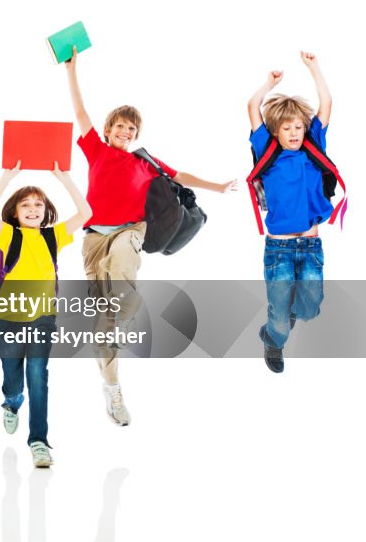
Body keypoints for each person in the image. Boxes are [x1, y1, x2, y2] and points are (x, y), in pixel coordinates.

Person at [63, 47, 237, 425]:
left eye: (132, 128)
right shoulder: (96, 151)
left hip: (129, 231)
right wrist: (73, 71)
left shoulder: (143, 161)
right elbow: (80, 113)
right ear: (108, 131)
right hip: (94, 238)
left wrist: (218, 187)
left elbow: (181, 177)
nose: (126, 132)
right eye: (120, 126)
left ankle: (124, 310)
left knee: (124, 275)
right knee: (103, 326)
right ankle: (112, 391)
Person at [0, 161, 92, 468]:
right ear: (15, 212)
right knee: (14, 378)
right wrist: (7, 176)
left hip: (44, 317)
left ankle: (39, 441)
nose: (32, 209)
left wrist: (64, 178)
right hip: (11, 317)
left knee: (38, 377)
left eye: (38, 204)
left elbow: (86, 214)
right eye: (25, 204)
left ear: (46, 210)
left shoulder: (52, 236)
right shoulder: (9, 234)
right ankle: (12, 402)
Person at [247, 52, 334, 373]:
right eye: (287, 128)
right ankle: (273, 338)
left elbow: (326, 105)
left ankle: (279, 323)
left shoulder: (314, 148)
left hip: (310, 246)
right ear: (276, 132)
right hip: (279, 249)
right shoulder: (266, 153)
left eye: (299, 126)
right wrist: (268, 85)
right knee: (281, 319)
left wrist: (315, 67)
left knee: (310, 310)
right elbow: (252, 108)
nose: (295, 132)